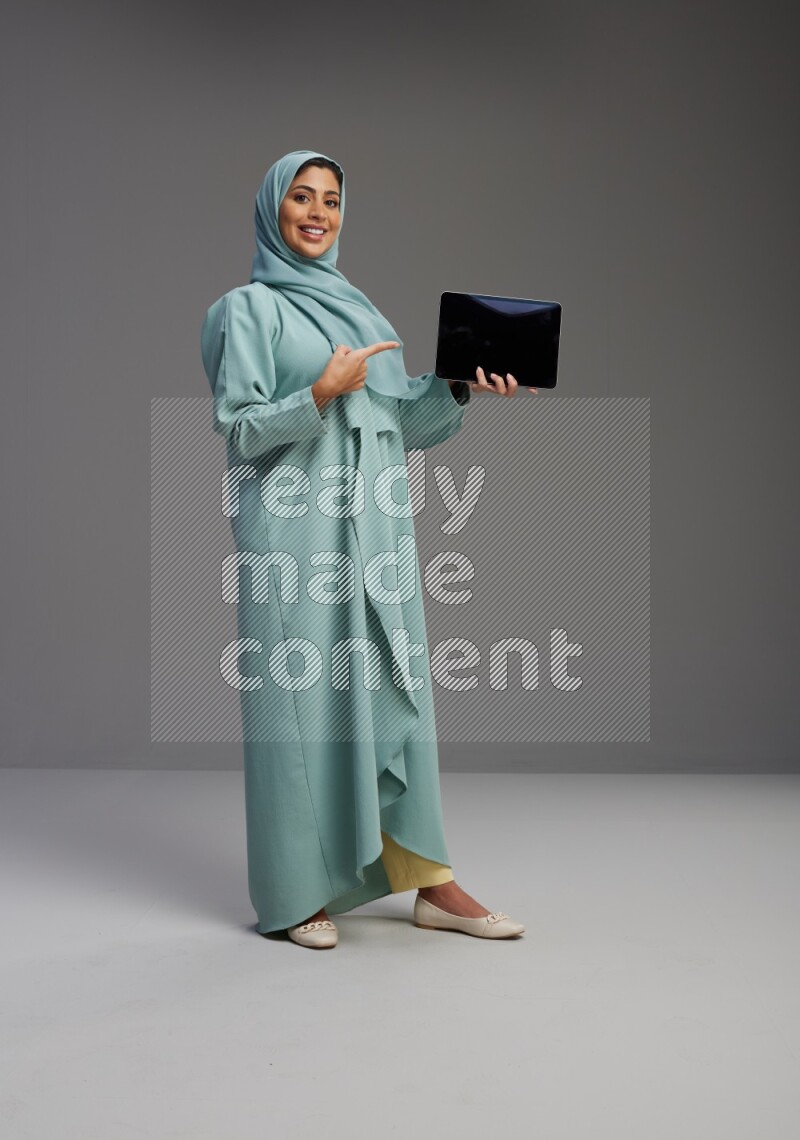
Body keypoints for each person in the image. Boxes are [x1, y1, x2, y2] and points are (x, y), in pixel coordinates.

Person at [200, 149, 537, 949]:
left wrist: (457, 387)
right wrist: (318, 392)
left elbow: (402, 426)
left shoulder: (365, 315)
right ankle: (294, 894)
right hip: (294, 539)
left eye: (331, 200)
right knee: (299, 712)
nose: (317, 213)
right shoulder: (244, 311)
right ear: (272, 209)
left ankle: (427, 880)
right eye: (301, 198)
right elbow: (239, 428)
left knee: (395, 690)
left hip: (377, 532)